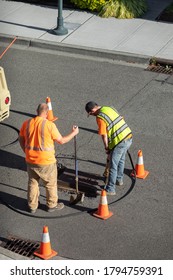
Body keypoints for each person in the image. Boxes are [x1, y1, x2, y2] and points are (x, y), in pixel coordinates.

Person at [19, 103, 79, 213]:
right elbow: (62, 140)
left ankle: (32, 206)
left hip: (30, 160)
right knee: (50, 184)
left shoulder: (26, 123)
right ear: (46, 113)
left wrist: (26, 151)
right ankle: (51, 205)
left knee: (33, 182)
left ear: (37, 111)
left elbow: (21, 139)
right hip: (46, 162)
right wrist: (74, 133)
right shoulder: (49, 125)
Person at [85, 101, 132, 195]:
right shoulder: (109, 108)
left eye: (91, 113)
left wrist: (107, 148)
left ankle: (110, 189)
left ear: (93, 110)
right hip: (128, 136)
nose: (92, 115)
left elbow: (104, 135)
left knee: (112, 165)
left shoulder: (100, 117)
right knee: (121, 160)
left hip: (120, 141)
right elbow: (120, 118)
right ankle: (119, 179)